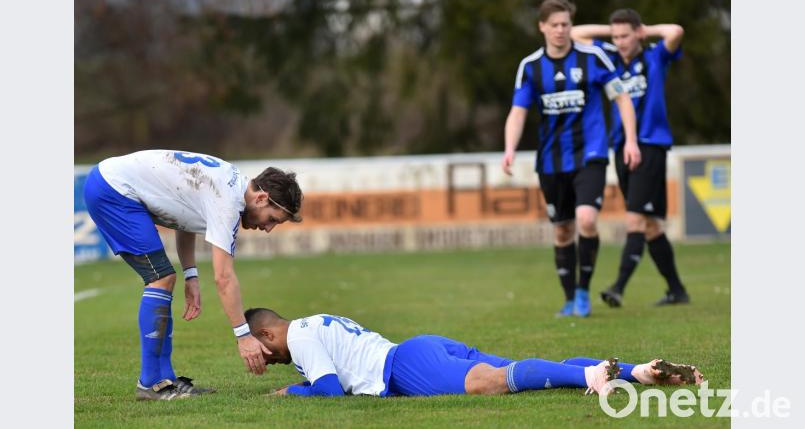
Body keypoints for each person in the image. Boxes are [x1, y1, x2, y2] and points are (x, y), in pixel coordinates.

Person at [83, 150, 304, 400]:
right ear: (262, 198)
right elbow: (224, 278)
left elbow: (182, 217)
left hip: (109, 182)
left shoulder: (231, 183)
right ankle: (149, 384)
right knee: (161, 278)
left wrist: (191, 275)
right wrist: (244, 337)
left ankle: (165, 380)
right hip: (113, 191)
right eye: (273, 219)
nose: (268, 228)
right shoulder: (229, 201)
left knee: (166, 277)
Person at [501, 0, 641, 318]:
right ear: (542, 27)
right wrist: (510, 147)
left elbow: (622, 99)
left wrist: (630, 141)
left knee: (587, 219)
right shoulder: (531, 67)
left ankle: (582, 292)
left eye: (566, 24)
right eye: (555, 25)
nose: (561, 30)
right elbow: (518, 112)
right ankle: (568, 298)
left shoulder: (593, 58)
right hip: (551, 160)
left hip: (590, 152)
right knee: (563, 230)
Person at [245, 308, 704, 397]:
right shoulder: (313, 321)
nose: (265, 361)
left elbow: (328, 391)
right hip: (421, 348)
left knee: (490, 383)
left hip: (405, 366)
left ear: (268, 334)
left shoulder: (300, 338)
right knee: (517, 372)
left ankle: (591, 378)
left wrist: (293, 391)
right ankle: (639, 372)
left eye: (261, 353)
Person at [570, 9, 690, 307]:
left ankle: (618, 287)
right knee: (651, 225)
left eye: (625, 35)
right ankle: (677, 290)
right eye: (616, 36)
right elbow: (576, 35)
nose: (620, 41)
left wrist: (643, 30)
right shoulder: (608, 57)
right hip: (621, 145)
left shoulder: (654, 56)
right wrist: (612, 33)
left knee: (635, 218)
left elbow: (675, 30)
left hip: (649, 144)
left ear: (637, 33)